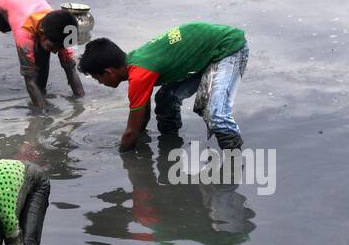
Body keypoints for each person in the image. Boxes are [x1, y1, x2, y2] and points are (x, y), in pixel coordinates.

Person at [77, 22, 248, 151]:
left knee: (216, 115)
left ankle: (233, 164)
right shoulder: (136, 63)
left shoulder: (139, 75)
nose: (100, 83)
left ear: (108, 72)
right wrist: (139, 134)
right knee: (166, 99)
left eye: (97, 77)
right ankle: (170, 145)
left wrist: (123, 155)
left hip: (228, 48)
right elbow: (141, 118)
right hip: (204, 54)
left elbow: (130, 132)